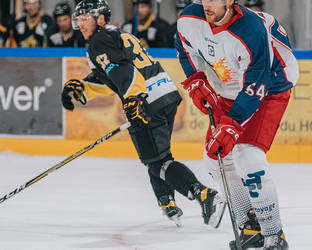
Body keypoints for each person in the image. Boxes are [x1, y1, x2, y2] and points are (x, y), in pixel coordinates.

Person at [62, 0, 226, 229]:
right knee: (157, 157)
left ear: (100, 18)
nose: (80, 22)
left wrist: (133, 100)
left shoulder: (98, 42)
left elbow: (124, 72)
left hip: (146, 101)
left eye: (85, 17)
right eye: (78, 18)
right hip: (164, 94)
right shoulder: (116, 35)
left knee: (157, 162)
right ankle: (167, 202)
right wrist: (83, 87)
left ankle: (205, 195)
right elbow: (113, 75)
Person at [176, 0, 299, 249]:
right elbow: (184, 46)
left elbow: (256, 84)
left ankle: (275, 235)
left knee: (248, 157)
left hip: (271, 86)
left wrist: (232, 125)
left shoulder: (250, 30)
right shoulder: (189, 18)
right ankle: (249, 225)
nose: (206, 4)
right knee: (215, 158)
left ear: (229, 1)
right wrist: (195, 79)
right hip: (231, 88)